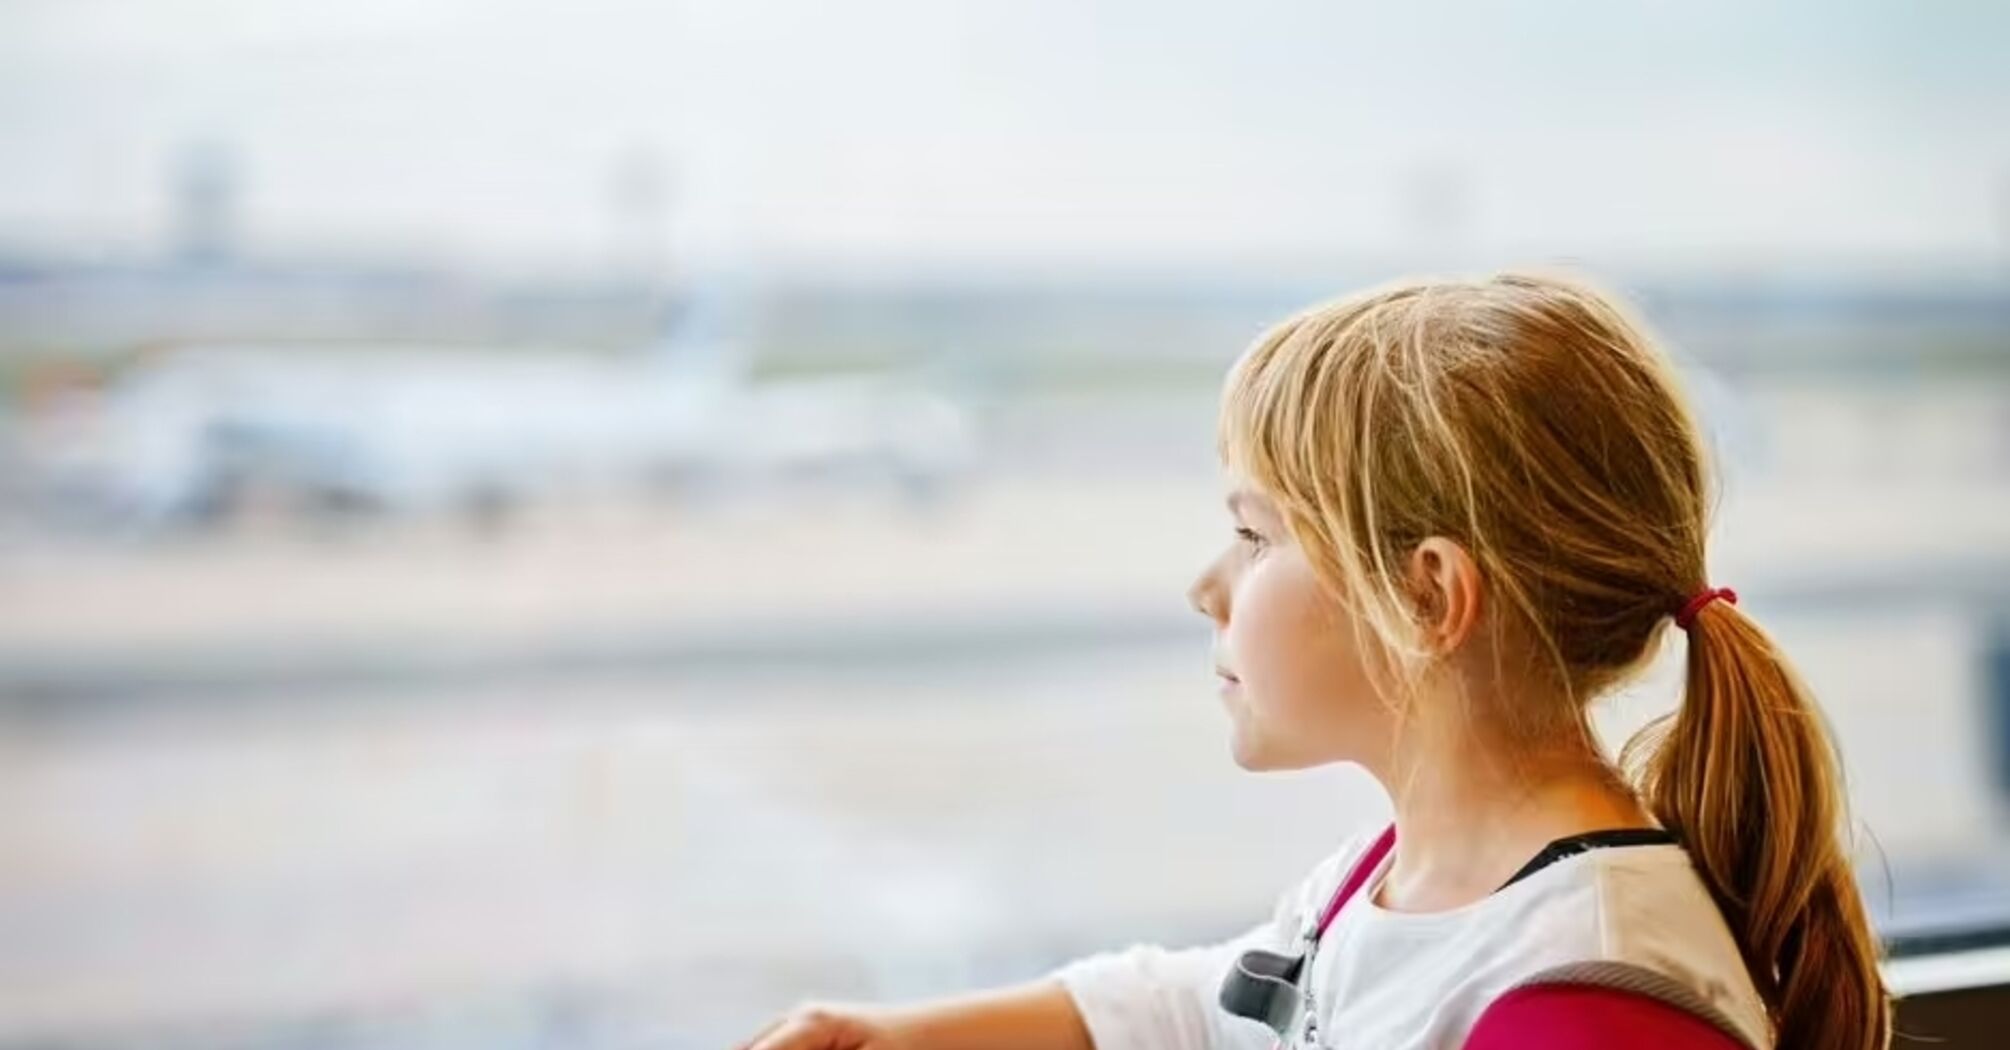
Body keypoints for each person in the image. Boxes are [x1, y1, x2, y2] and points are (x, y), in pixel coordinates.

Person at [735, 273, 1891, 1050]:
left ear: (1430, 595)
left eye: (1255, 535)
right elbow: (1210, 1005)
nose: (1207, 585)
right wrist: (897, 1038)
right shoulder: (1400, 879)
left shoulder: (1580, 1005)